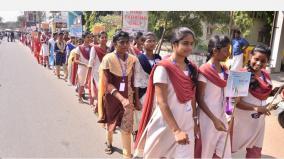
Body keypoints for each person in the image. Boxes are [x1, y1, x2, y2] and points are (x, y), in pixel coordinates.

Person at [134, 27, 198, 158]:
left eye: (191, 44)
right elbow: (162, 102)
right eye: (185, 43)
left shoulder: (191, 68)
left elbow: (191, 96)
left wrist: (194, 120)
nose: (189, 47)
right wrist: (176, 130)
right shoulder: (163, 68)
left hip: (186, 123)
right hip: (166, 124)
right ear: (174, 44)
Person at [97, 30, 138, 158]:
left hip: (128, 97)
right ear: (115, 44)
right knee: (111, 123)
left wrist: (136, 99)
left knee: (126, 128)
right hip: (112, 98)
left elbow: (133, 80)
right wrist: (121, 98)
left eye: (127, 42)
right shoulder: (108, 59)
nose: (125, 45)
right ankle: (109, 143)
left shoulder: (132, 59)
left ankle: (127, 155)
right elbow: (106, 84)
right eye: (122, 42)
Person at [232, 45, 273, 158]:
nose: (259, 63)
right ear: (250, 56)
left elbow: (265, 96)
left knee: (254, 153)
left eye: (263, 61)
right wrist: (256, 108)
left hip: (258, 123)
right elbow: (234, 103)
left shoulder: (266, 75)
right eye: (256, 59)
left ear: (267, 62)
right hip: (240, 123)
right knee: (225, 149)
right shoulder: (240, 75)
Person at [197, 35, 231, 158]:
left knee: (223, 149)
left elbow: (228, 94)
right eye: (226, 50)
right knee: (206, 150)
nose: (228, 53)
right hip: (208, 117)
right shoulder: (204, 70)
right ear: (215, 51)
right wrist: (214, 119)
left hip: (222, 115)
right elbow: (199, 99)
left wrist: (230, 110)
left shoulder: (225, 70)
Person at [133, 32, 161, 140]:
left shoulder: (158, 58)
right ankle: (138, 141)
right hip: (143, 93)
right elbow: (136, 79)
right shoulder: (139, 59)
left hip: (156, 93)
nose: (152, 43)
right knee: (141, 119)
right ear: (143, 43)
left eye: (154, 41)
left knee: (153, 119)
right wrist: (136, 100)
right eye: (149, 41)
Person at [88, 31, 109, 108]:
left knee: (105, 90)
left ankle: (100, 106)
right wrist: (89, 75)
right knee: (99, 89)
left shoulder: (109, 49)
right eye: (102, 37)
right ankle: (98, 105)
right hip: (96, 73)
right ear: (99, 39)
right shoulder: (95, 48)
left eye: (105, 37)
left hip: (106, 73)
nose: (104, 39)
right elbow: (91, 61)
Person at [74, 32, 93, 103]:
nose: (89, 38)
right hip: (82, 69)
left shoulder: (92, 47)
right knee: (82, 84)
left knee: (91, 84)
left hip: (90, 68)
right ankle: (79, 97)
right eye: (88, 37)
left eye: (90, 37)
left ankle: (92, 100)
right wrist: (84, 64)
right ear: (84, 38)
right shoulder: (79, 48)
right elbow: (75, 60)